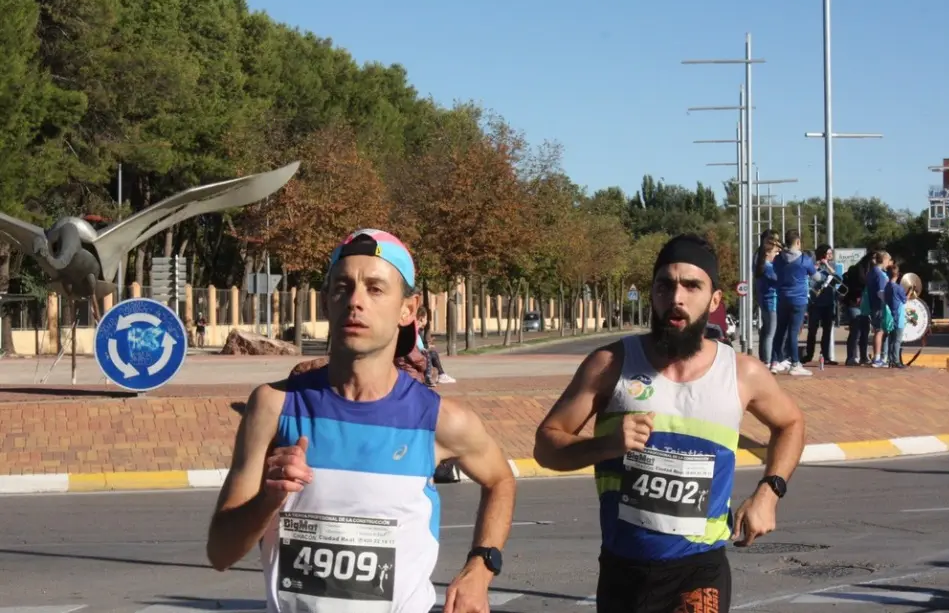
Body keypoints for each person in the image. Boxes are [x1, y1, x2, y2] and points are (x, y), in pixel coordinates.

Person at [206, 228, 516, 613]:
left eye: (375, 289)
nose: (355, 301)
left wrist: (481, 566)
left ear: (408, 309)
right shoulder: (274, 406)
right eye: (342, 287)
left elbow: (500, 480)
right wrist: (269, 499)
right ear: (326, 301)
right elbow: (220, 552)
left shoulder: (440, 420)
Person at [532, 233, 806, 613]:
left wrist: (769, 493)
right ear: (653, 294)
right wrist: (606, 445)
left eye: (692, 286)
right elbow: (546, 446)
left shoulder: (742, 373)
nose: (676, 298)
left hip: (700, 568)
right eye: (665, 285)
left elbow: (791, 423)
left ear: (714, 300)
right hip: (624, 571)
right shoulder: (611, 364)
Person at [770, 230, 816, 376]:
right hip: (799, 299)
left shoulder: (778, 259)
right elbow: (816, 276)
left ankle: (774, 362)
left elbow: (776, 270)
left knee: (780, 330)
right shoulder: (804, 260)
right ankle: (795, 363)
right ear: (797, 242)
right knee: (793, 332)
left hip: (782, 298)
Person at [803, 244, 839, 366]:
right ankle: (809, 354)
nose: (830, 256)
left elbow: (838, 279)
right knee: (812, 330)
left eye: (831, 254)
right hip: (815, 303)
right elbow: (809, 281)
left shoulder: (832, 265)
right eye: (828, 254)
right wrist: (816, 267)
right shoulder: (813, 265)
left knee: (827, 331)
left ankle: (825, 355)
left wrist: (827, 265)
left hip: (828, 303)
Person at [754, 239, 780, 365]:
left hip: (765, 302)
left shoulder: (761, 266)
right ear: (767, 253)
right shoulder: (768, 267)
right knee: (771, 333)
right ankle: (768, 360)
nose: (776, 254)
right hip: (771, 303)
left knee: (768, 332)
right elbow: (779, 280)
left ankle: (766, 359)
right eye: (775, 252)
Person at [416, 306, 456, 385]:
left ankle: (441, 375)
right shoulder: (415, 328)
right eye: (426, 318)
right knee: (431, 354)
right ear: (422, 318)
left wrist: (427, 345)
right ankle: (434, 376)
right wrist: (425, 348)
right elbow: (415, 344)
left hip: (419, 352)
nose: (427, 321)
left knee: (432, 353)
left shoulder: (418, 329)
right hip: (417, 354)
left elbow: (419, 344)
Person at [883, 264, 907, 369]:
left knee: (891, 340)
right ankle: (896, 361)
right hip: (898, 316)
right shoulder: (898, 288)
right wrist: (909, 292)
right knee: (897, 340)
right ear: (897, 275)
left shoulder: (887, 287)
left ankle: (891, 360)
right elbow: (904, 300)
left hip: (890, 316)